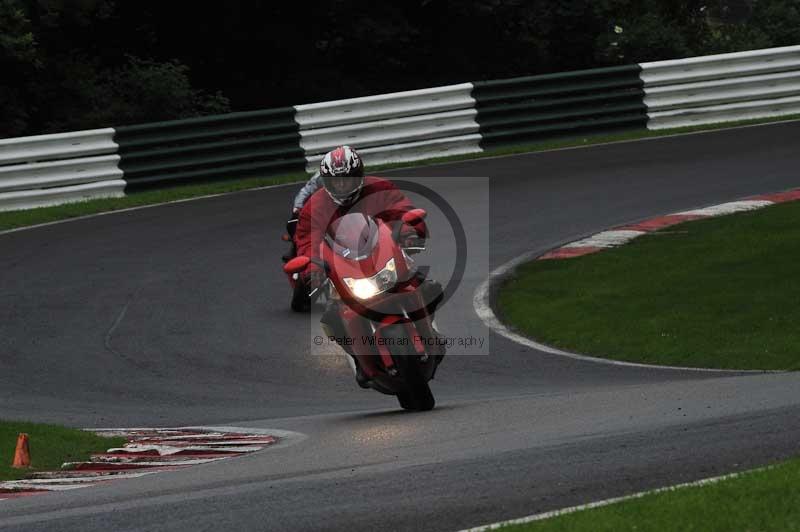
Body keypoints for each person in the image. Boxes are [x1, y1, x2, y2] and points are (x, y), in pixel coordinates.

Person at [293, 145, 444, 387]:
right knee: (332, 317)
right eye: (337, 182)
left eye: (348, 180)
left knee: (428, 287)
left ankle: (430, 333)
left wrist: (409, 232)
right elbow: (307, 241)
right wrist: (313, 269)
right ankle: (358, 358)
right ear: (326, 182)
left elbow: (401, 209)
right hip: (345, 268)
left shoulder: (379, 188)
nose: (343, 186)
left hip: (384, 257)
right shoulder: (315, 205)